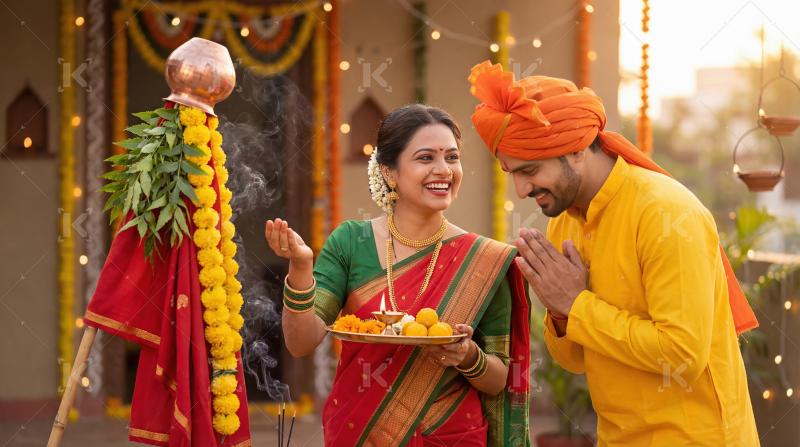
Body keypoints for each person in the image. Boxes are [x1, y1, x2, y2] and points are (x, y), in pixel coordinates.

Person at [468, 60, 760, 446]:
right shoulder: (564, 223)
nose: (521, 190)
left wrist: (577, 305)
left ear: (576, 150)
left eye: (530, 170)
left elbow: (681, 357)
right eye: (513, 174)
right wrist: (562, 312)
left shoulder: (665, 213)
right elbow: (574, 360)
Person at [264, 104, 531, 446]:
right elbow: (301, 343)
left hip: (449, 436)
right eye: (425, 158)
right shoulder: (351, 242)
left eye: (452, 157)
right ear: (389, 173)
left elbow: (498, 379)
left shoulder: (484, 259)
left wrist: (467, 356)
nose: (444, 170)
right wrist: (301, 267)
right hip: (360, 431)